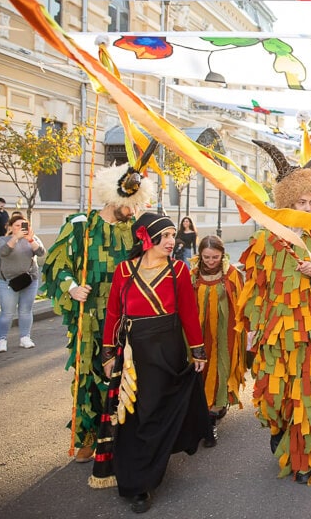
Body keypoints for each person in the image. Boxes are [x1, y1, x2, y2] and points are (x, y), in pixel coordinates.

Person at [241, 142, 311, 485]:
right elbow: (255, 288)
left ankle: (304, 460)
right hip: (272, 332)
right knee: (273, 393)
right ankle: (279, 430)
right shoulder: (266, 240)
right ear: (286, 203)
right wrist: (254, 328)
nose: (307, 208)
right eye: (300, 202)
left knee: (304, 395)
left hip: (308, 332)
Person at [40, 162, 150, 465]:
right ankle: (87, 437)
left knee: (127, 373)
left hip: (127, 317)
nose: (132, 212)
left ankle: (121, 434)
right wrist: (72, 287)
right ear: (114, 199)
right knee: (89, 375)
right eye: (129, 206)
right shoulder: (80, 226)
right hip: (90, 317)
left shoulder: (135, 232)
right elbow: (54, 266)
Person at [101, 212, 208, 513]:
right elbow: (113, 313)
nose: (172, 241)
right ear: (147, 238)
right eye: (166, 236)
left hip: (168, 349)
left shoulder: (179, 271)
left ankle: (149, 473)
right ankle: (137, 482)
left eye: (174, 235)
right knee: (135, 413)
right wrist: (108, 353)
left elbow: (188, 312)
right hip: (134, 353)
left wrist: (197, 351)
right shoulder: (123, 270)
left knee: (158, 410)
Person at [191, 235, 246, 448]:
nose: (211, 261)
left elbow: (241, 305)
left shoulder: (232, 275)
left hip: (225, 334)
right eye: (206, 257)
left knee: (222, 369)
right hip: (199, 334)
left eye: (215, 257)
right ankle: (200, 414)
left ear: (222, 254)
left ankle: (212, 418)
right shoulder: (192, 275)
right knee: (200, 371)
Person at [0, 214, 44, 352]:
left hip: (30, 280)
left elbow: (41, 253)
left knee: (25, 311)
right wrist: (15, 238)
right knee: (7, 313)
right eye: (17, 226)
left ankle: (25, 338)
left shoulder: (32, 239)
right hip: (8, 282)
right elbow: (3, 252)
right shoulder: (3, 240)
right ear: (10, 227)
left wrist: (31, 240)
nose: (21, 228)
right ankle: (2, 339)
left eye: (24, 225)